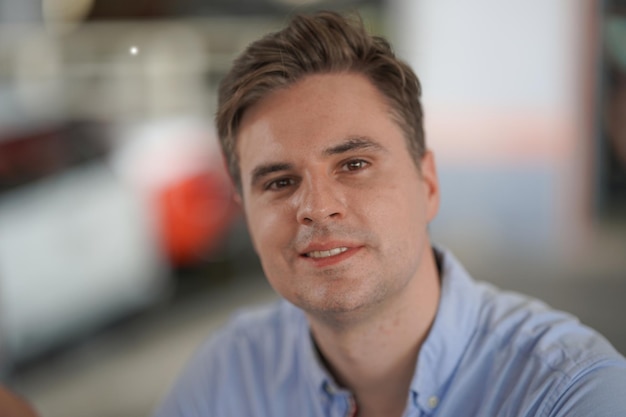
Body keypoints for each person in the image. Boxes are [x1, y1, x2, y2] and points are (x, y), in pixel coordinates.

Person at [154, 10, 626, 417]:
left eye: (354, 164)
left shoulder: (567, 392)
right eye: (279, 182)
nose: (317, 208)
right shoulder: (227, 377)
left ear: (429, 184)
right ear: (247, 216)